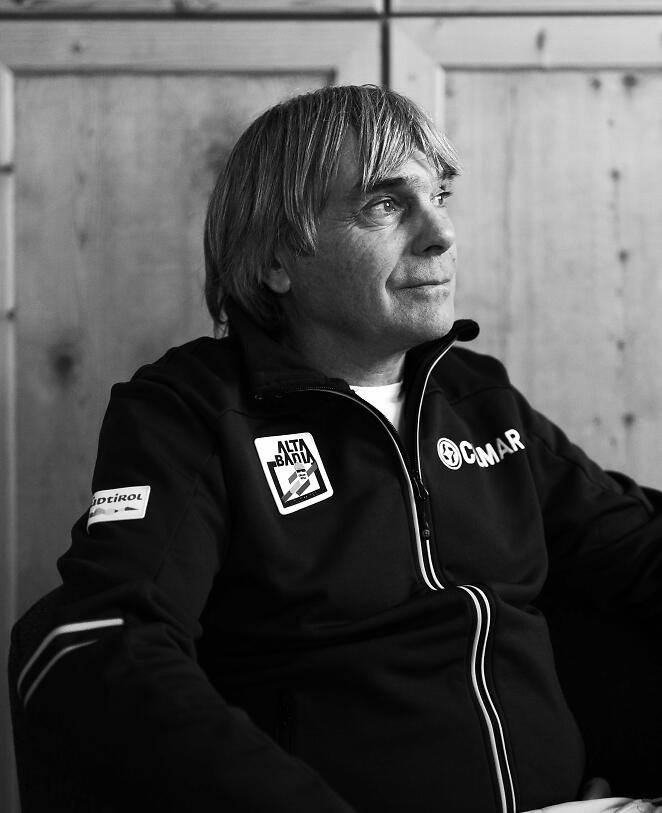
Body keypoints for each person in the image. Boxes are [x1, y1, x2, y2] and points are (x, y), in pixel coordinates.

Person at [11, 85, 662, 813]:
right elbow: (106, 637)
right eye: (385, 205)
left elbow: (636, 546)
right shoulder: (192, 412)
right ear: (277, 259)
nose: (441, 233)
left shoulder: (478, 398)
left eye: (439, 195)